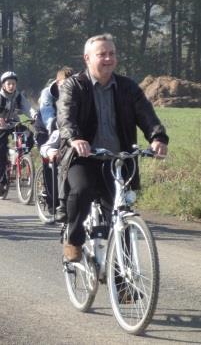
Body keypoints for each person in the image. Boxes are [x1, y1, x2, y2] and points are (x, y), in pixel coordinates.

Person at [56, 33, 169, 262]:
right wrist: (76, 138)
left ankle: (124, 281)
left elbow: (146, 115)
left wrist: (157, 138)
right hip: (83, 157)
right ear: (87, 58)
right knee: (82, 190)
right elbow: (65, 116)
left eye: (112, 54)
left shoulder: (128, 87)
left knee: (122, 216)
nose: (108, 58)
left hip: (118, 160)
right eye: (102, 54)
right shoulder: (74, 85)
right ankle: (74, 238)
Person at [0, 71, 36, 198]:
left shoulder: (19, 96)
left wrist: (34, 115)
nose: (11, 86)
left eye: (13, 84)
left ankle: (19, 156)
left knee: (31, 136)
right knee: (0, 154)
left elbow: (27, 108)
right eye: (8, 84)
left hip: (16, 122)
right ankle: (0, 182)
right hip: (1, 125)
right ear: (3, 85)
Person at [34, 66, 73, 219]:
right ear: (58, 82)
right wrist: (54, 128)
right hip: (45, 129)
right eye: (64, 84)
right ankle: (52, 202)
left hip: (63, 129)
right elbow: (47, 113)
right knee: (51, 160)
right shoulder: (47, 93)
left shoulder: (74, 91)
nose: (67, 86)